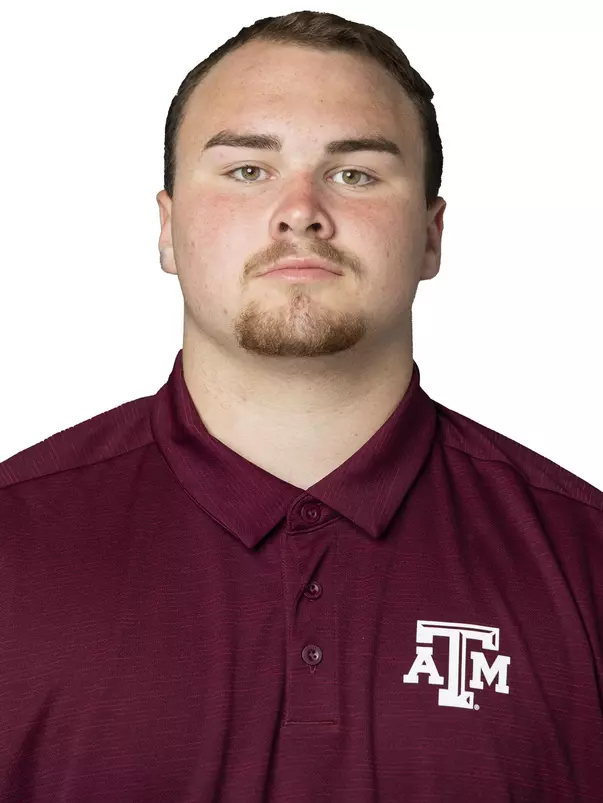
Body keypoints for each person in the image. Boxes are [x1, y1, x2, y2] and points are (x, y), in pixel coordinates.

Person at [0, 9, 601, 803]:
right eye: (247, 169)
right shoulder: (13, 545)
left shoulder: (584, 558)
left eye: (354, 172)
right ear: (168, 229)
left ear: (430, 234)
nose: (300, 210)